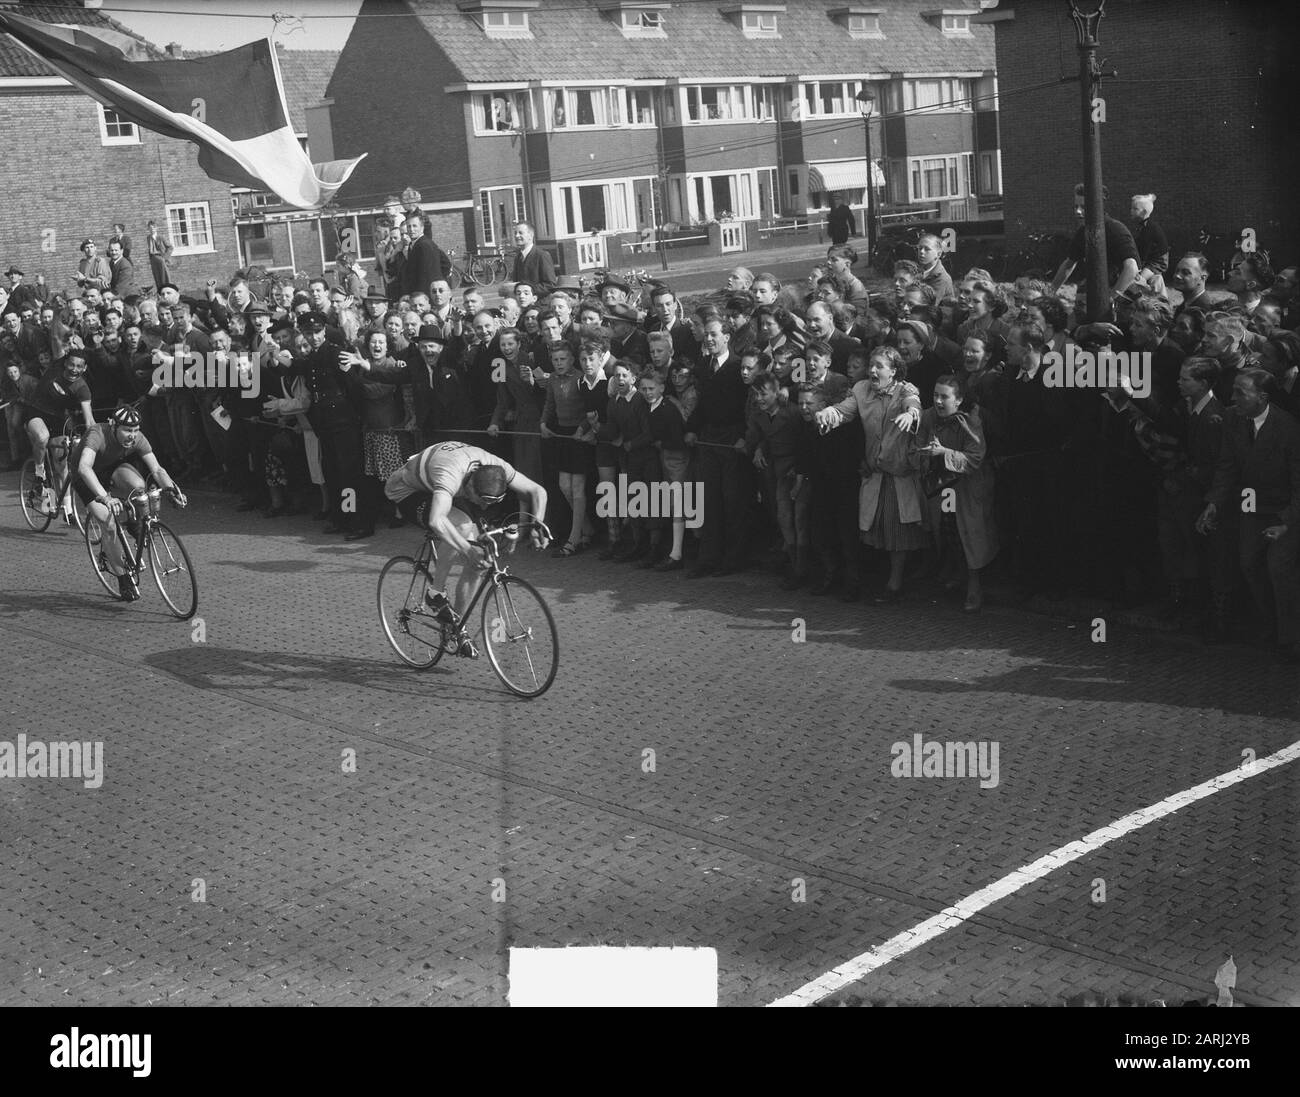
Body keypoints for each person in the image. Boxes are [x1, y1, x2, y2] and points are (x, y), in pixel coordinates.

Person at [385, 441, 550, 656]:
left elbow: (538, 491)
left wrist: (537, 524)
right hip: (407, 490)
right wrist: (467, 550)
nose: (484, 507)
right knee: (462, 526)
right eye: (482, 501)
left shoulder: (497, 467)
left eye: (491, 503)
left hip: (448, 486)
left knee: (481, 561)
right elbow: (436, 520)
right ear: (471, 486)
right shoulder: (450, 475)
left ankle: (455, 628)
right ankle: (435, 593)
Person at [1197, 368, 1300, 663]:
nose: (1233, 398)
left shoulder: (1288, 428)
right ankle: (1270, 624)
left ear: (1262, 397)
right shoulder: (1233, 418)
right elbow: (1227, 465)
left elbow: (1299, 482)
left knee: (1279, 568)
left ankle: (1290, 638)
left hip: (1285, 511)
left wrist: (1287, 523)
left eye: (1240, 392)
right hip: (1251, 507)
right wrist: (1213, 503)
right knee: (1249, 564)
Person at [815, 345, 924, 602]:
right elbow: (844, 410)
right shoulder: (861, 389)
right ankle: (882, 581)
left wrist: (911, 415)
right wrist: (828, 413)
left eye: (879, 366)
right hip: (875, 475)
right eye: (871, 365)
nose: (872, 370)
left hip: (899, 475)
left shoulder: (906, 389)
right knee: (875, 531)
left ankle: (895, 584)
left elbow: (914, 405)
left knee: (898, 533)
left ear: (893, 371)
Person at [74, 405, 185, 602]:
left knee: (139, 487)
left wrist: (171, 489)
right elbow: (84, 468)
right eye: (127, 430)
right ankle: (123, 578)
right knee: (108, 524)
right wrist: (106, 498)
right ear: (113, 426)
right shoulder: (97, 434)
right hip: (85, 476)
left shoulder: (138, 438)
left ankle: (134, 523)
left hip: (111, 468)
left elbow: (157, 469)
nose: (132, 435)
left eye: (135, 430)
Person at [913, 374, 997, 612]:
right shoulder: (929, 416)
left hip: (968, 487)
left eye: (944, 397)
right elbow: (917, 446)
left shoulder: (971, 419)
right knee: (947, 530)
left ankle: (974, 586)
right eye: (935, 395)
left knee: (969, 535)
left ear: (959, 400)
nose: (938, 401)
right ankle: (957, 575)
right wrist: (925, 455)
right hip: (942, 485)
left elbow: (975, 458)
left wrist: (944, 453)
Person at [21, 350, 96, 512]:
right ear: (65, 363)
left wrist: (95, 439)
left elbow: (89, 420)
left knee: (62, 465)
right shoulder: (55, 366)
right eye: (71, 365)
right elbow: (57, 340)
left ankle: (68, 510)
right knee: (42, 437)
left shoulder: (82, 388)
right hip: (36, 411)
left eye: (79, 366)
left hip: (58, 419)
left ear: (84, 368)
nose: (74, 369)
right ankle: (39, 472)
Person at [1050, 183, 1140, 304]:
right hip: (1099, 291)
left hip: (1126, 296)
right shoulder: (1083, 233)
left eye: (1084, 207)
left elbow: (1131, 268)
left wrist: (1110, 300)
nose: (1078, 211)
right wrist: (1048, 294)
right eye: (1076, 206)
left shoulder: (1116, 230)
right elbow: (1068, 265)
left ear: (1098, 207)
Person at [1130, 194, 1169, 297]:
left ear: (1144, 212)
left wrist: (1138, 268)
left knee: (1138, 281)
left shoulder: (1149, 228)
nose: (1131, 211)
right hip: (1151, 260)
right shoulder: (1142, 226)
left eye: (1135, 209)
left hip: (1157, 262)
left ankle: (1147, 298)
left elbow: (1144, 251)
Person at [510, 221, 556, 294]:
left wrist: (527, 291)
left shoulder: (542, 255)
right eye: (515, 233)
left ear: (531, 235)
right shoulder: (518, 257)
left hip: (539, 300)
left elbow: (550, 285)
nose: (516, 236)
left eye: (520, 233)